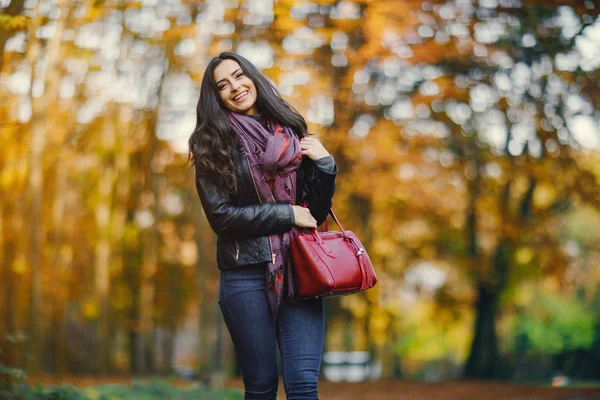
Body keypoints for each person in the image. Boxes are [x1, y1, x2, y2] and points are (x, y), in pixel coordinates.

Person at [189, 52, 337, 400]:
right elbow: (221, 218)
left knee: (303, 386)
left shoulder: (289, 131)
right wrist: (285, 214)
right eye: (222, 85)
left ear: (252, 77)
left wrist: (327, 168)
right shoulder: (212, 143)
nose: (235, 87)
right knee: (261, 388)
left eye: (239, 76)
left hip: (300, 268)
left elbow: (312, 213)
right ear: (216, 96)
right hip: (245, 273)